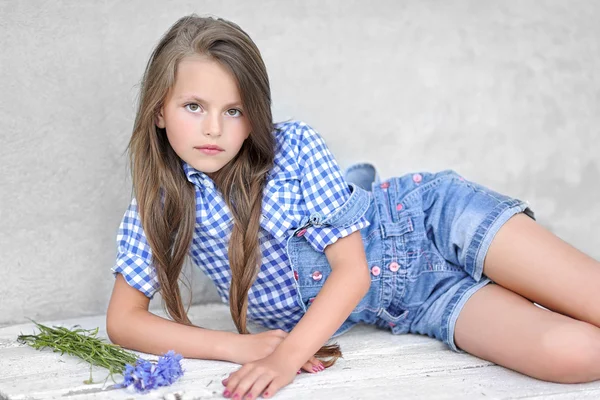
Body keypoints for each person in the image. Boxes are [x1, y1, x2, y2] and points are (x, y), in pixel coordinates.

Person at [106, 14, 600, 400]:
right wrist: (236, 346)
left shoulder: (293, 150)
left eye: (233, 110)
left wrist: (285, 358)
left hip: (433, 220)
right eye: (194, 107)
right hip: (418, 301)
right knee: (575, 354)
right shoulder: (163, 205)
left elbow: (352, 272)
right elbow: (124, 320)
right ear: (159, 111)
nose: (214, 128)